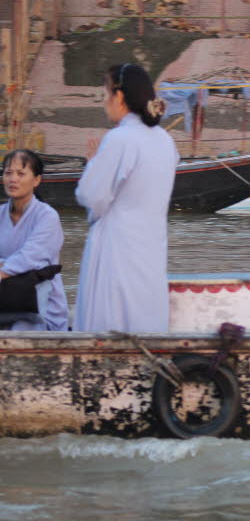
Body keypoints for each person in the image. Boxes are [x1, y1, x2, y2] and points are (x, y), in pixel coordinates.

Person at [74, 63, 179, 332]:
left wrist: (93, 163)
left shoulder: (119, 139)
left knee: (111, 318)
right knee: (144, 314)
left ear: (119, 97)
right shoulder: (165, 141)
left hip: (117, 246)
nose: (104, 102)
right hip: (150, 245)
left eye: (105, 94)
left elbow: (90, 195)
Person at [0, 150, 69, 331]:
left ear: (36, 180)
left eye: (21, 173)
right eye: (8, 173)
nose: (13, 179)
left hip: (40, 306)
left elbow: (30, 257)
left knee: (20, 330)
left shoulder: (47, 216)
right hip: (4, 298)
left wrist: (2, 269)